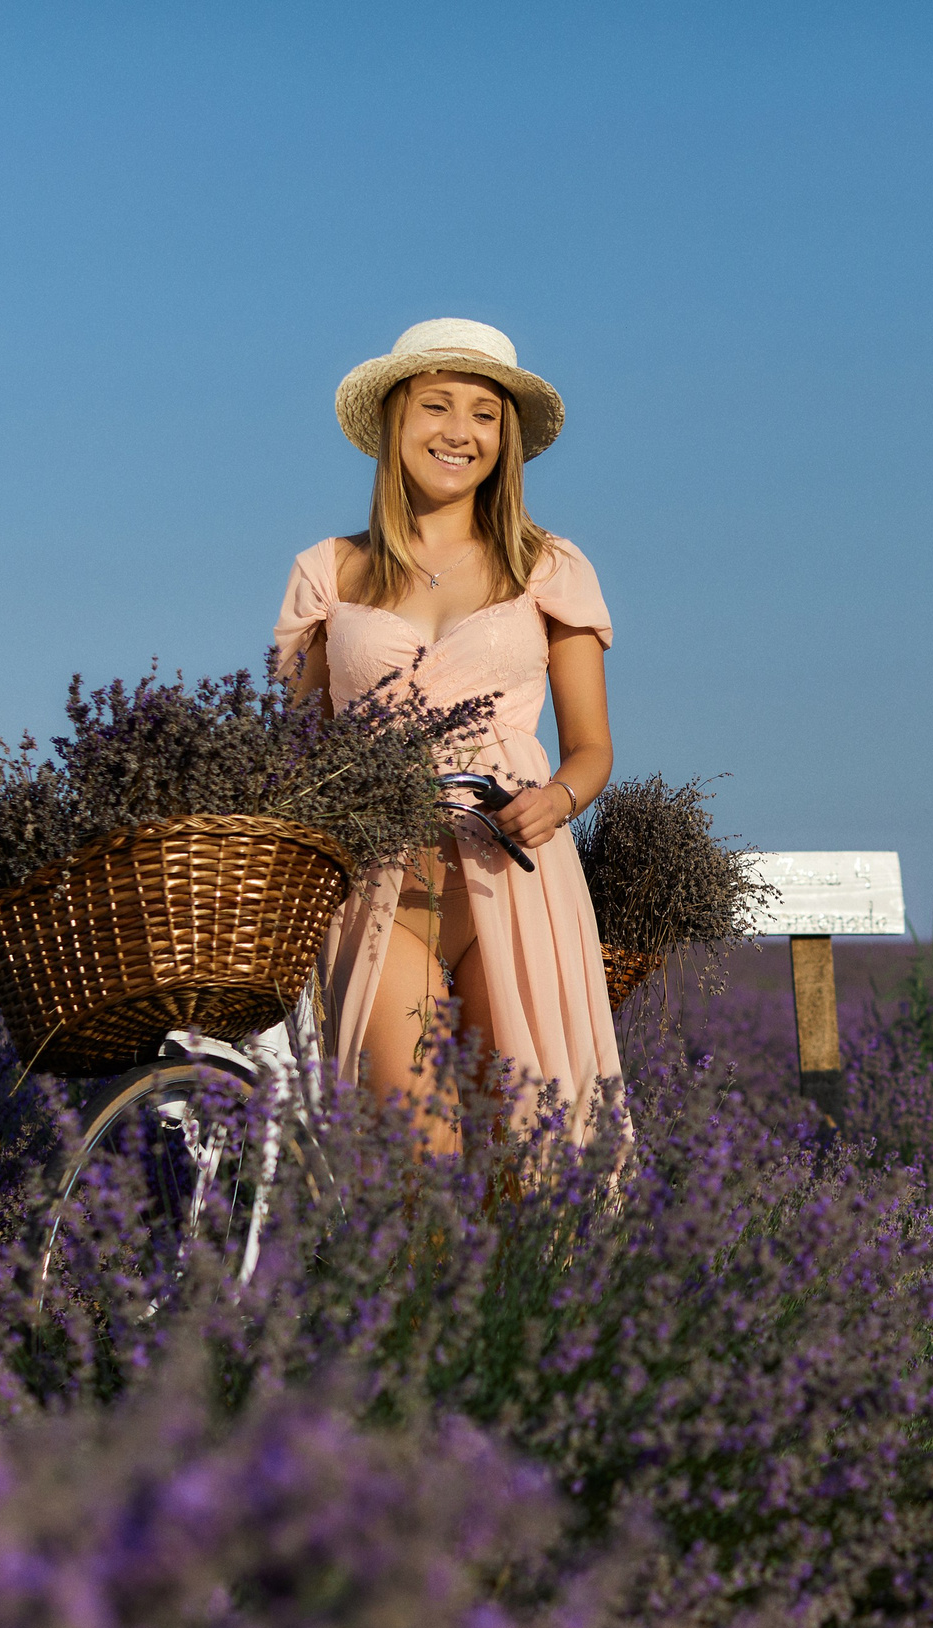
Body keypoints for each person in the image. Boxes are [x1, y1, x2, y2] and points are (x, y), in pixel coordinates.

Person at [273, 317, 620, 1149]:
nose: (459, 432)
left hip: (515, 878)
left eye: (484, 414)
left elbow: (592, 748)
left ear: (504, 440)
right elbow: (290, 750)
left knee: (532, 1158)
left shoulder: (549, 566)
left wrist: (558, 799)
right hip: (377, 887)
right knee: (415, 1164)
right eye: (436, 406)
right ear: (395, 424)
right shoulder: (326, 571)